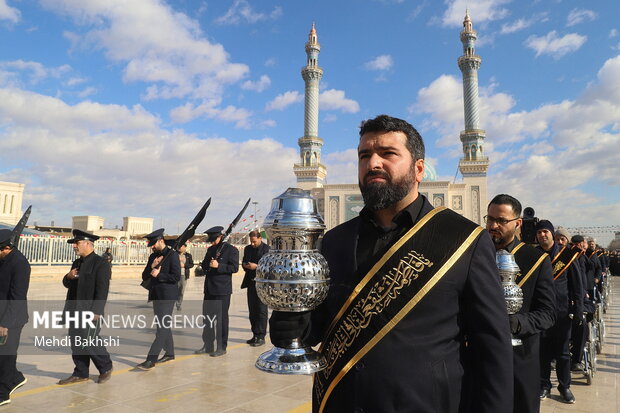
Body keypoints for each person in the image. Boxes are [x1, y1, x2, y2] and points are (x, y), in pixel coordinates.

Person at [270, 115, 513, 413]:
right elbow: (317, 328)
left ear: (419, 169)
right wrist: (289, 323)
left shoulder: (462, 239)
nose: (373, 163)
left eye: (388, 154)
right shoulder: (335, 241)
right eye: (364, 155)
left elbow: (492, 348)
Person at [485, 194, 555, 413]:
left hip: (520, 358)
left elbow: (547, 313)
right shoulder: (475, 254)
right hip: (480, 357)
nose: (493, 225)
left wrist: (515, 323)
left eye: (501, 221)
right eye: (490, 219)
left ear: (517, 223)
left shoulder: (535, 260)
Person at [536, 220, 583, 404]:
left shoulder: (567, 255)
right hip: (540, 313)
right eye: (539, 233)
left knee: (563, 353)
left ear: (552, 234)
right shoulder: (534, 255)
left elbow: (577, 286)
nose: (542, 235)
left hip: (562, 313)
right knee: (543, 353)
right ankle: (544, 385)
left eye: (545, 232)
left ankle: (565, 387)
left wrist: (578, 310)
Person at [58, 229, 113, 385]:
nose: (74, 246)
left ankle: (106, 367)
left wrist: (97, 310)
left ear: (88, 243)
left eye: (77, 243)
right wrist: (68, 277)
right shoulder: (77, 262)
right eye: (74, 243)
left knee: (89, 340)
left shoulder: (100, 263)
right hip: (74, 309)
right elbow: (68, 284)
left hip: (89, 311)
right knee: (76, 341)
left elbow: (102, 289)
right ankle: (81, 372)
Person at [136, 228, 181, 370]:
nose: (152, 247)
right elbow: (144, 276)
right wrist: (152, 267)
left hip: (168, 296)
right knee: (163, 326)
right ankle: (170, 353)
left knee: (161, 328)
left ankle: (151, 359)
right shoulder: (153, 257)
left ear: (161, 241)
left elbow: (176, 277)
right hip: (156, 295)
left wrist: (159, 275)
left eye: (154, 244)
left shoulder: (172, 255)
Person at [195, 226, 239, 357]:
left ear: (220, 237)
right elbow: (204, 265)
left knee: (221, 319)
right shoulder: (211, 249)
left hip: (222, 290)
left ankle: (221, 346)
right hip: (209, 289)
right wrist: (205, 266)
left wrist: (219, 266)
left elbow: (234, 268)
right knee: (207, 319)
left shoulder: (231, 250)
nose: (212, 242)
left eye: (214, 239)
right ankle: (208, 345)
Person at [0, 230, 30, 406]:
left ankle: (3, 393)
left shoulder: (20, 264)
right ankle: (16, 377)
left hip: (12, 319)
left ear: (7, 248)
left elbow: (17, 296)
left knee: (5, 356)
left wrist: (5, 324)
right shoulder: (4, 260)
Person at [241, 230, 270, 347]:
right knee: (252, 310)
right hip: (251, 282)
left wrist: (256, 267)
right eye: (251, 242)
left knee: (261, 311)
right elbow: (244, 261)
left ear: (259, 239)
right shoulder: (248, 249)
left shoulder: (267, 249)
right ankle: (255, 334)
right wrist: (246, 265)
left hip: (262, 284)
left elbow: (269, 266)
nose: (252, 244)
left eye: (254, 241)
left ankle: (261, 336)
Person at [176, 243, 194, 311]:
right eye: (179, 246)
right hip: (175, 275)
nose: (180, 248)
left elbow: (191, 264)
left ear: (185, 247)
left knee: (181, 291)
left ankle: (178, 304)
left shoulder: (188, 255)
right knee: (174, 290)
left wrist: (184, 266)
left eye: (181, 246)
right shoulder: (175, 254)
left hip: (184, 275)